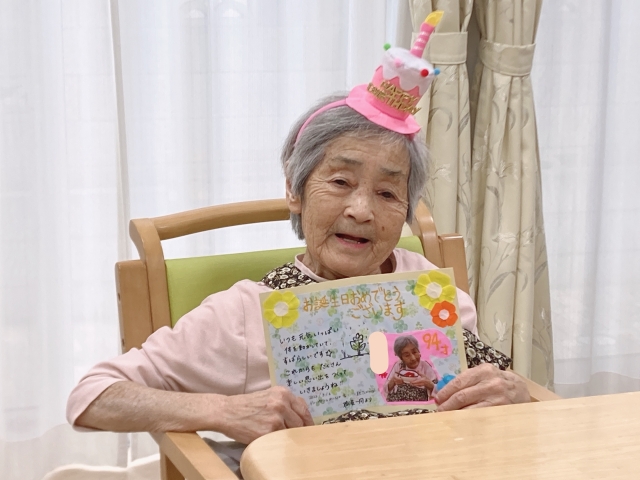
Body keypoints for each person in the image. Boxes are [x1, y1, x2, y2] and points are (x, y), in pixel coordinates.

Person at [67, 12, 529, 451]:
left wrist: (512, 392)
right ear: (295, 189)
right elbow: (92, 396)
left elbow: (490, 407)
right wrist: (222, 410)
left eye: (388, 193)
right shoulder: (245, 314)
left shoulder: (428, 291)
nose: (362, 210)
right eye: (341, 182)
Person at [384, 335, 438, 402]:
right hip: (397, 404)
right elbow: (385, 389)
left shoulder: (425, 366)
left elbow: (438, 390)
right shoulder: (398, 366)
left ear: (419, 351)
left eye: (414, 352)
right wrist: (393, 381)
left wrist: (428, 384)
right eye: (407, 355)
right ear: (401, 358)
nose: (413, 358)